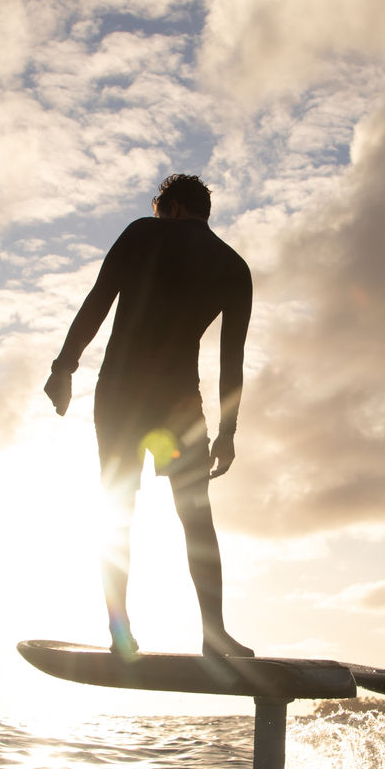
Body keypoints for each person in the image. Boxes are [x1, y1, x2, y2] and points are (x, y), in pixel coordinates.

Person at [43, 174, 254, 660]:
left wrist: (64, 367)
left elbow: (98, 301)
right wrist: (228, 431)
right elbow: (232, 359)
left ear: (173, 207)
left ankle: (120, 635)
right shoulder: (232, 266)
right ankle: (216, 637)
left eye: (161, 209)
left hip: (120, 393)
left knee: (116, 513)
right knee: (196, 517)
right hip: (178, 403)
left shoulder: (141, 233)